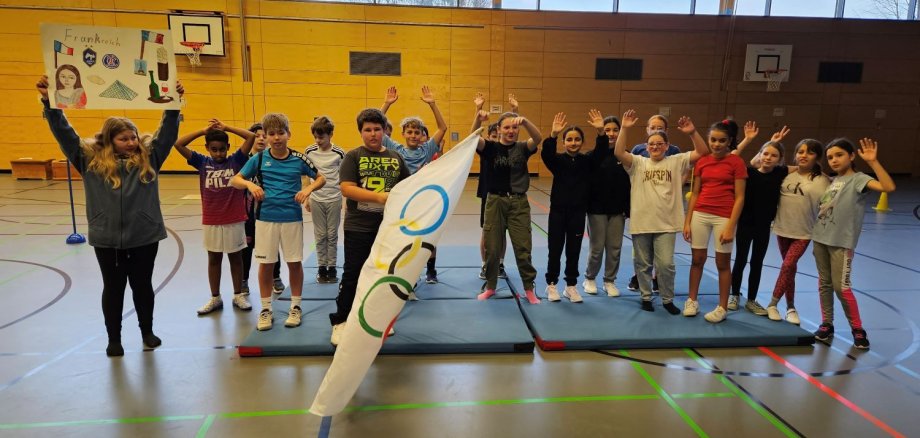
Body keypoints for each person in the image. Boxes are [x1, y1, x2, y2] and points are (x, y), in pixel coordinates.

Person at [37, 74, 183, 357]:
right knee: (113, 289)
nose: (130, 142)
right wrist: (49, 102)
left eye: (133, 137)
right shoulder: (89, 161)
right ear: (109, 140)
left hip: (144, 235)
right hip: (107, 238)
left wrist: (174, 103)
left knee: (142, 286)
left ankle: (147, 331)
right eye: (123, 138)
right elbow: (64, 133)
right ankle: (113, 338)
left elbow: (167, 132)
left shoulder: (149, 158)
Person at [230, 113, 325, 331]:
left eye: (280, 133)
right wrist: (250, 185)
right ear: (265, 137)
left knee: (293, 262)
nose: (276, 138)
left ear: (288, 134)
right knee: (266, 264)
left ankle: (296, 306)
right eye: (270, 134)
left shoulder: (299, 159)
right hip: (265, 219)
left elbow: (321, 178)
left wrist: (308, 189)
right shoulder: (260, 159)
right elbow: (235, 179)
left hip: (291, 218)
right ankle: (265, 309)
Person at [614, 109, 710, 314]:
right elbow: (619, 152)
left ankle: (667, 299)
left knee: (666, 264)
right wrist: (624, 128)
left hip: (666, 222)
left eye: (660, 143)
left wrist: (692, 132)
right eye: (652, 144)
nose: (655, 146)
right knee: (642, 263)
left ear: (667, 146)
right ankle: (646, 297)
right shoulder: (638, 163)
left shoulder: (675, 161)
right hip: (642, 221)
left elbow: (702, 152)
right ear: (646, 147)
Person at [329, 108, 411, 346]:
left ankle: (380, 320)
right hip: (358, 227)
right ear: (361, 132)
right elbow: (347, 188)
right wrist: (381, 198)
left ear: (385, 131)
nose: (373, 134)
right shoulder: (353, 156)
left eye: (377, 129)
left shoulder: (396, 157)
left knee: (384, 276)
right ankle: (341, 321)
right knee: (353, 274)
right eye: (368, 130)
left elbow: (406, 188)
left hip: (387, 229)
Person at [811, 138, 895, 350]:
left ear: (851, 156)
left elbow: (888, 187)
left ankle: (857, 328)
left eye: (839, 155)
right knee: (824, 284)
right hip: (820, 238)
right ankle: (826, 324)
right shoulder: (831, 180)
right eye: (830, 157)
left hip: (842, 243)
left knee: (842, 288)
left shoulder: (859, 179)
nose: (834, 160)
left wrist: (873, 162)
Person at [172, 119, 255, 315]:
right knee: (214, 259)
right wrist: (203, 130)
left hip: (234, 218)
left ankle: (238, 294)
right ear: (207, 148)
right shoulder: (202, 162)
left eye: (222, 149)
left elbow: (250, 136)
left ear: (228, 147)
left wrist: (226, 128)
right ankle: (215, 297)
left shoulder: (235, 160)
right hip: (212, 219)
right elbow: (178, 144)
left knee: (236, 258)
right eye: (214, 149)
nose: (218, 154)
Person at [380, 85, 448, 283]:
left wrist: (432, 104)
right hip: (401, 200)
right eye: (409, 131)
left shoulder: (426, 149)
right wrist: (386, 104)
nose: (413, 135)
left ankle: (431, 270)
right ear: (403, 133)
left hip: (423, 200)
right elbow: (379, 127)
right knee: (403, 237)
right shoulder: (395, 148)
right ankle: (405, 270)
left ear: (421, 134)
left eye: (417, 132)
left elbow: (442, 128)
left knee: (429, 234)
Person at [475, 111, 544, 304]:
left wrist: (526, 121)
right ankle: (490, 286)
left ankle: (529, 289)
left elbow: (538, 138)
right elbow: (472, 138)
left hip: (518, 203)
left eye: (514, 127)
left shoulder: (523, 148)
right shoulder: (490, 148)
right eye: (506, 127)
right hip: (495, 202)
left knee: (523, 247)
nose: (511, 131)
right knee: (493, 247)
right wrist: (477, 119)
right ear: (498, 130)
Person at [683, 119, 747, 323]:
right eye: (713, 140)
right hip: (700, 214)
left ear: (729, 142)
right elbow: (695, 193)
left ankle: (722, 307)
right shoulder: (702, 161)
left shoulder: (736, 162)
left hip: (724, 216)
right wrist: (687, 221)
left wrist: (730, 226)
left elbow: (740, 197)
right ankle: (691, 300)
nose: (716, 144)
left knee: (722, 263)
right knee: (697, 259)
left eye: (722, 140)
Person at [766, 137, 829, 324]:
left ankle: (772, 303)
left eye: (809, 152)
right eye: (800, 151)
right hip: (782, 228)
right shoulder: (786, 174)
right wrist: (772, 143)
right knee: (790, 269)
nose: (804, 155)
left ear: (817, 157)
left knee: (787, 265)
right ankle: (791, 307)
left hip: (804, 232)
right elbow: (756, 164)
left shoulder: (824, 181)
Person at [729, 140, 788, 315]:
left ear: (780, 159)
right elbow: (732, 158)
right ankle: (734, 295)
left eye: (774, 155)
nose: (769, 158)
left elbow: (802, 167)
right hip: (745, 224)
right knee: (740, 260)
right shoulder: (749, 173)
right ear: (759, 155)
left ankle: (752, 300)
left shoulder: (780, 172)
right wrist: (771, 141)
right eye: (765, 154)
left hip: (763, 226)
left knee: (757, 262)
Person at [539, 112, 594, 303]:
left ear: (582, 142)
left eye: (577, 139)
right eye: (569, 139)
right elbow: (546, 154)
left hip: (577, 214)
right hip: (558, 213)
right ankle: (551, 284)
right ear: (563, 143)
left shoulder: (586, 162)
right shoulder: (558, 162)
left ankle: (571, 286)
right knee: (554, 249)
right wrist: (553, 135)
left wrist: (602, 132)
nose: (573, 143)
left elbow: (602, 152)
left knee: (574, 250)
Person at [626, 114, 681, 292]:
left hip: (664, 209)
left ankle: (658, 278)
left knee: (662, 252)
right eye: (653, 127)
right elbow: (629, 170)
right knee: (641, 250)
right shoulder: (638, 150)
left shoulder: (673, 152)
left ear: (666, 132)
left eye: (660, 128)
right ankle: (639, 277)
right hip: (643, 207)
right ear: (647, 129)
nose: (656, 130)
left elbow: (682, 171)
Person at [583, 112, 630, 297]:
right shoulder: (593, 156)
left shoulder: (626, 157)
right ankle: (590, 278)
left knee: (614, 248)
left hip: (617, 210)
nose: (611, 133)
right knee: (597, 247)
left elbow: (629, 185)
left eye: (615, 130)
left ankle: (609, 280)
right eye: (607, 130)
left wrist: (628, 209)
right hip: (597, 210)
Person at [472, 92, 515, 281]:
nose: (499, 137)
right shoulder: (488, 150)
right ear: (490, 136)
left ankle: (500, 263)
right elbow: (472, 138)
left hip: (508, 196)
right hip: (488, 194)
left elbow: (515, 129)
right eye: (495, 135)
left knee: (503, 233)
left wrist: (515, 111)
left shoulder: (511, 148)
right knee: (487, 233)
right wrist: (478, 111)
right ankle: (485, 265)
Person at [240, 123, 285, 295]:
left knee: (272, 246)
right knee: (247, 247)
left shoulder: (273, 160)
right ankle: (243, 280)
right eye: (256, 135)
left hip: (269, 212)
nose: (260, 138)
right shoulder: (244, 161)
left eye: (263, 135)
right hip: (248, 214)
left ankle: (276, 277)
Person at [304, 116, 346, 284]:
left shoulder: (339, 153)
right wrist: (307, 195)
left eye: (321, 137)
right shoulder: (309, 151)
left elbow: (343, 178)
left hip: (334, 198)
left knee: (332, 234)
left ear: (331, 135)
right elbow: (306, 174)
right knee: (320, 235)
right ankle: (322, 267)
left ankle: (332, 267)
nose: (318, 140)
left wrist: (344, 200)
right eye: (315, 137)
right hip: (316, 198)